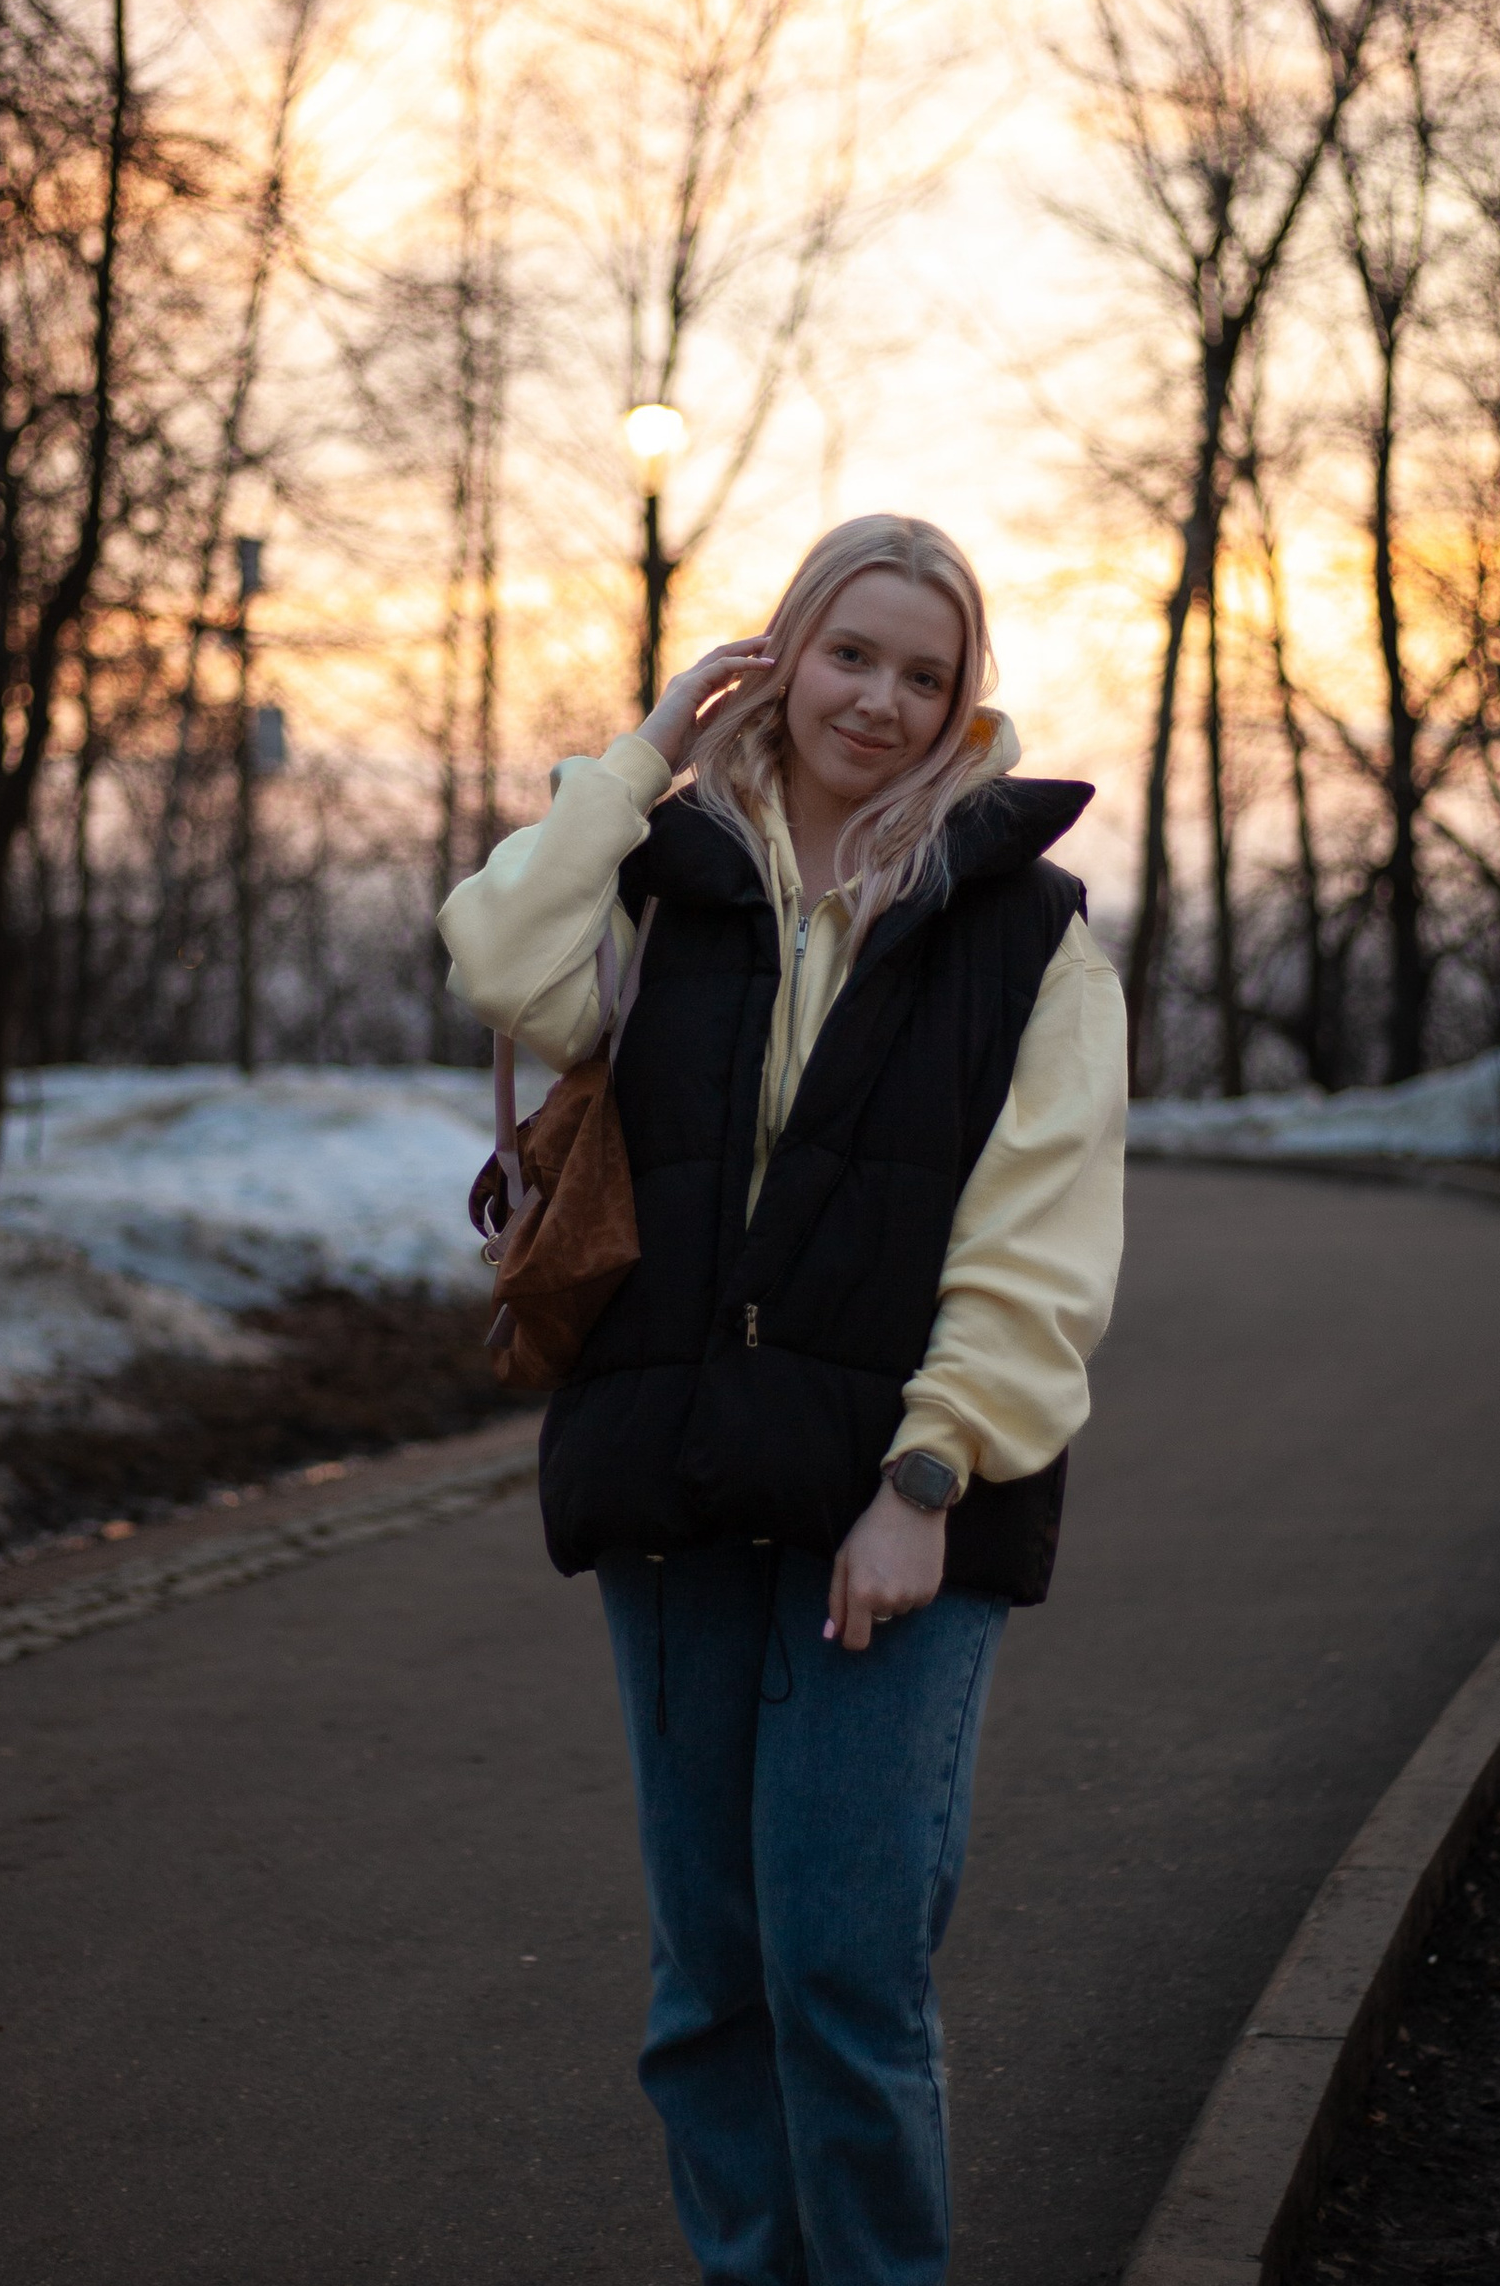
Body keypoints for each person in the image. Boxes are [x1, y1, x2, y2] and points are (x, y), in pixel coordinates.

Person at [439, 511, 1126, 2286]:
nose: (879, 702)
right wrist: (642, 753)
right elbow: (496, 957)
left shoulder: (1026, 933)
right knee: (712, 1986)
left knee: (844, 1977)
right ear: (784, 656)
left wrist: (927, 1476)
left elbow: (1039, 1245)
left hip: (894, 1513)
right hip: (676, 1485)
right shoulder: (664, 884)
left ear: (964, 703)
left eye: (924, 675)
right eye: (849, 654)